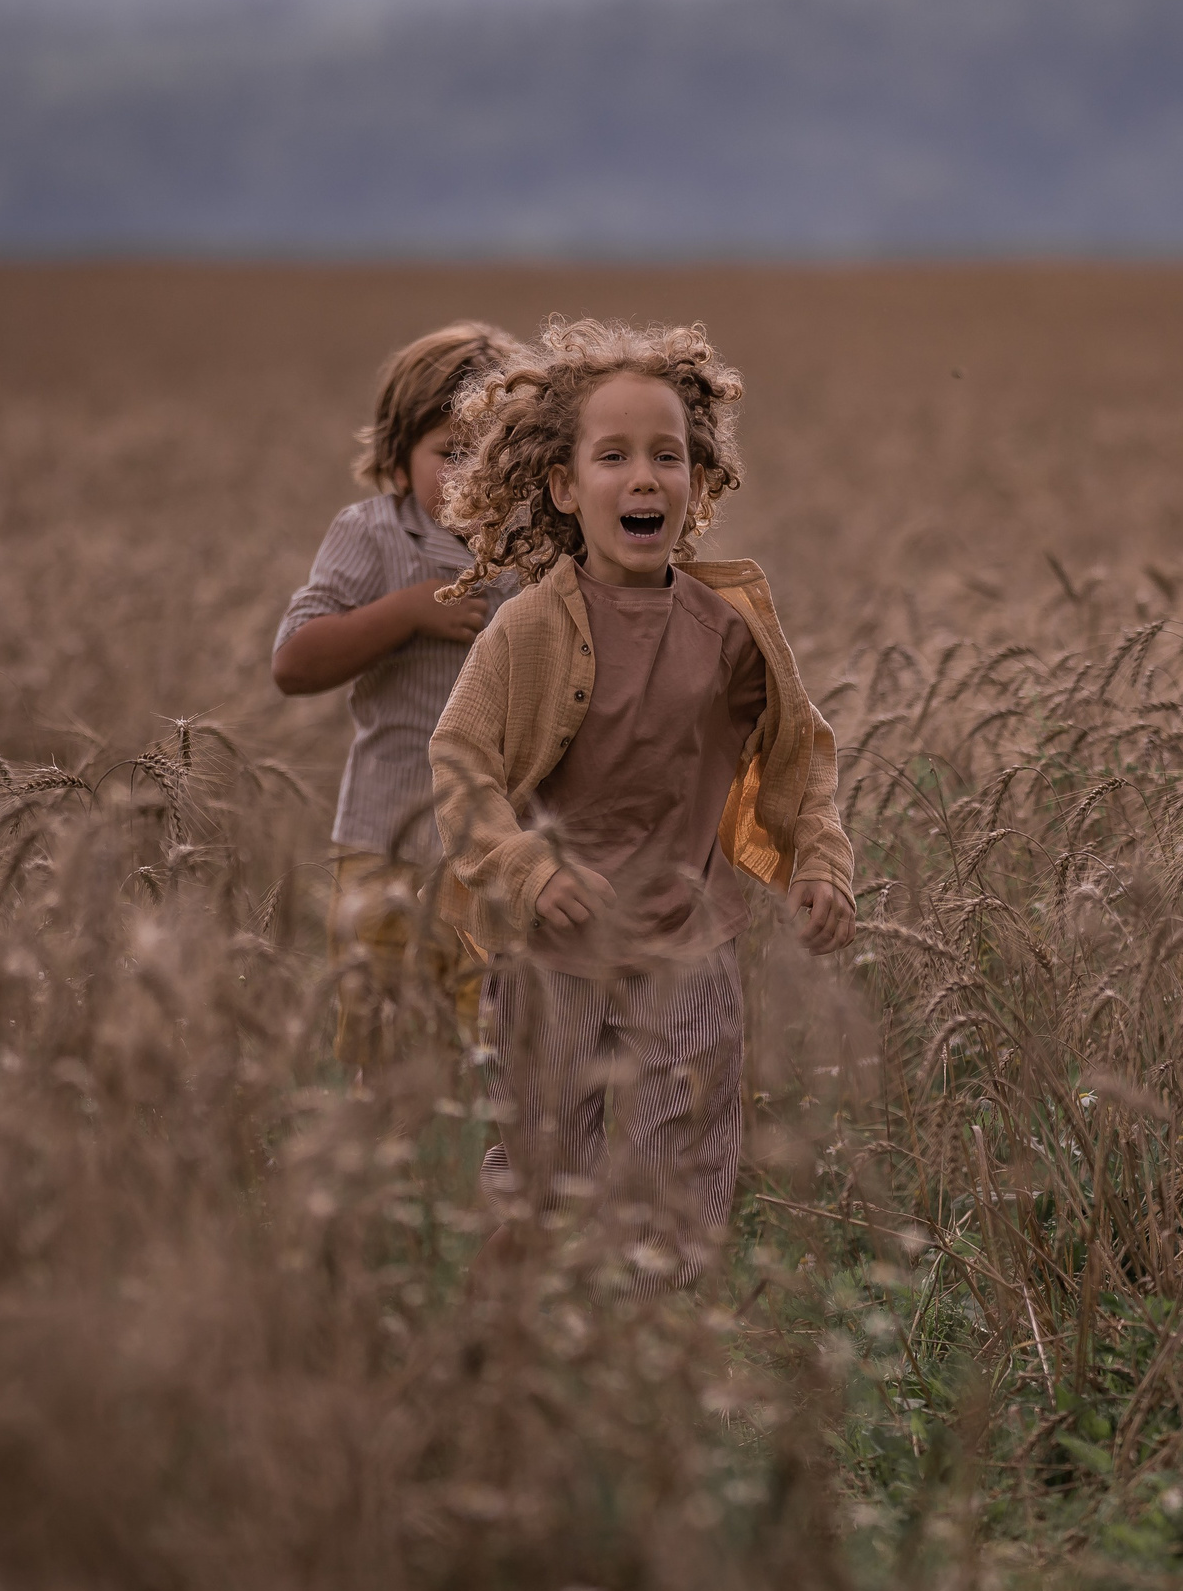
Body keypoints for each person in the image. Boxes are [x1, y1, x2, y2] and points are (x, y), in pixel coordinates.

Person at [429, 317, 854, 1262]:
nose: (644, 476)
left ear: (698, 487)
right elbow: (460, 759)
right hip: (549, 962)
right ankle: (507, 1367)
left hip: (687, 953)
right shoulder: (527, 633)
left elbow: (797, 753)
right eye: (612, 455)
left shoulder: (729, 629)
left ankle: (653, 1367)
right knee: (537, 1183)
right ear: (564, 488)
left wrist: (818, 861)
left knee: (679, 1190)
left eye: (668, 455)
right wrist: (522, 866)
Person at [273, 320, 523, 1067]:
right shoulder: (372, 533)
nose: (469, 473)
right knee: (381, 1046)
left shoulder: (538, 545)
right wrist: (406, 612)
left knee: (492, 1050)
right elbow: (294, 662)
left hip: (497, 856)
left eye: (491, 452)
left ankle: (474, 1178)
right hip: (386, 846)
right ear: (396, 454)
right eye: (448, 453)